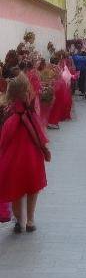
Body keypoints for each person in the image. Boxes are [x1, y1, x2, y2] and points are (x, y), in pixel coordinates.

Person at [0, 74, 51, 233]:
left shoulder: (10, 117)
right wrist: (45, 150)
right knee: (32, 188)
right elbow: (40, 135)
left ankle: (19, 221)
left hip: (13, 158)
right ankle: (30, 220)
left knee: (17, 190)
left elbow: (4, 140)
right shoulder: (30, 115)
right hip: (32, 158)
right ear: (26, 94)